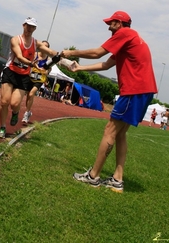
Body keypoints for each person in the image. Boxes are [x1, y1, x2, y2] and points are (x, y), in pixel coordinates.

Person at [61, 10, 157, 193]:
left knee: (110, 130)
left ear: (119, 24)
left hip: (134, 90)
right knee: (120, 134)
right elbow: (105, 64)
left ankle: (93, 176)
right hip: (144, 90)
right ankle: (117, 179)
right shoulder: (130, 39)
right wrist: (80, 68)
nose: (108, 27)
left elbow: (98, 53)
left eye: (111, 23)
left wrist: (70, 52)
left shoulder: (125, 34)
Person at [0, 18, 57, 139]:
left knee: (14, 104)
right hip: (11, 71)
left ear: (35, 29)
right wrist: (31, 64)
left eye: (32, 27)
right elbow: (19, 55)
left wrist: (64, 58)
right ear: (23, 25)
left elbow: (51, 52)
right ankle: (2, 127)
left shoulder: (36, 43)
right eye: (28, 26)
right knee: (4, 102)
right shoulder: (15, 40)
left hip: (23, 75)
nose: (29, 28)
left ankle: (15, 112)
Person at [21, 40, 51, 125]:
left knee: (31, 94)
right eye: (42, 45)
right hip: (31, 77)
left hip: (40, 80)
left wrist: (47, 72)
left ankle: (26, 114)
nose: (43, 48)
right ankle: (29, 111)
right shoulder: (35, 55)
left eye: (46, 46)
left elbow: (50, 68)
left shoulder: (48, 59)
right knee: (28, 97)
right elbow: (28, 62)